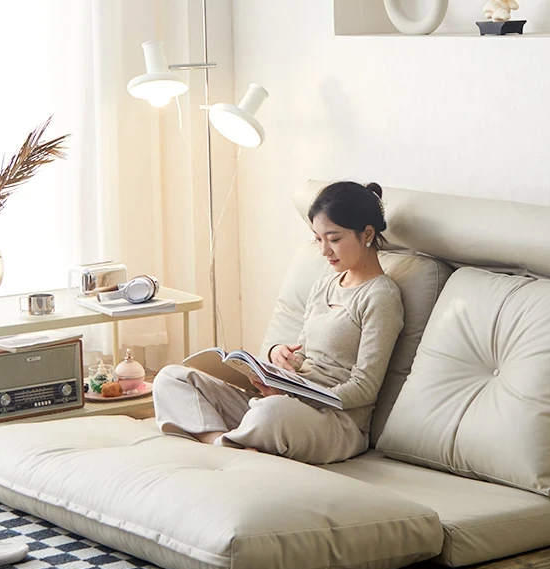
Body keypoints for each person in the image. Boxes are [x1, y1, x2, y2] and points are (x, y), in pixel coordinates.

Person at [152, 181, 405, 464]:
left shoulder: (381, 296)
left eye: (333, 239)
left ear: (367, 234)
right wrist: (279, 357)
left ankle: (228, 442)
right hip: (290, 400)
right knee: (171, 378)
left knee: (270, 413)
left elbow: (365, 387)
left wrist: (297, 396)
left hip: (335, 421)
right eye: (317, 239)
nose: (324, 250)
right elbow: (304, 353)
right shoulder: (324, 285)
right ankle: (222, 443)